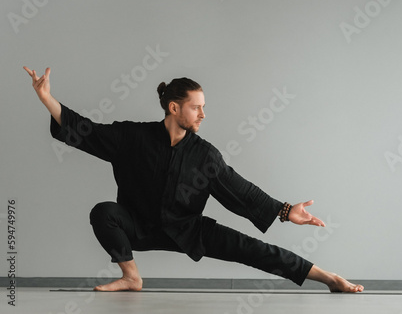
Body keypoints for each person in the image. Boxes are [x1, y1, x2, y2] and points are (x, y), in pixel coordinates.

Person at [23, 66, 364, 293]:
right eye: (196, 107)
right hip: (136, 226)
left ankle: (329, 278)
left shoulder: (206, 156)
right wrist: (45, 98)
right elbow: (86, 132)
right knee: (103, 211)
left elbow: (241, 191)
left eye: (203, 107)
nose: (203, 113)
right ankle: (131, 276)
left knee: (256, 251)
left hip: (188, 228)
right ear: (174, 108)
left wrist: (286, 210)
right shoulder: (133, 138)